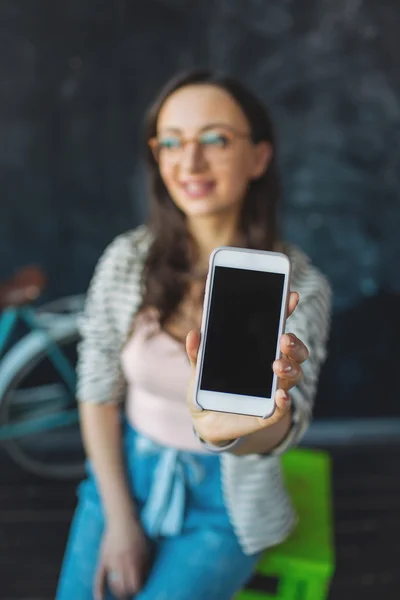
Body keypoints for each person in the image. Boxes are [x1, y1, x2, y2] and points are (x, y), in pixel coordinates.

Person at [56, 69, 331, 600]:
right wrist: (119, 519)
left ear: (259, 157)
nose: (190, 162)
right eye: (171, 143)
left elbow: (282, 431)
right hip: (125, 473)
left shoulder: (302, 287)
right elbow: (96, 391)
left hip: (232, 503)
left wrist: (248, 427)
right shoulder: (127, 259)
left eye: (215, 139)